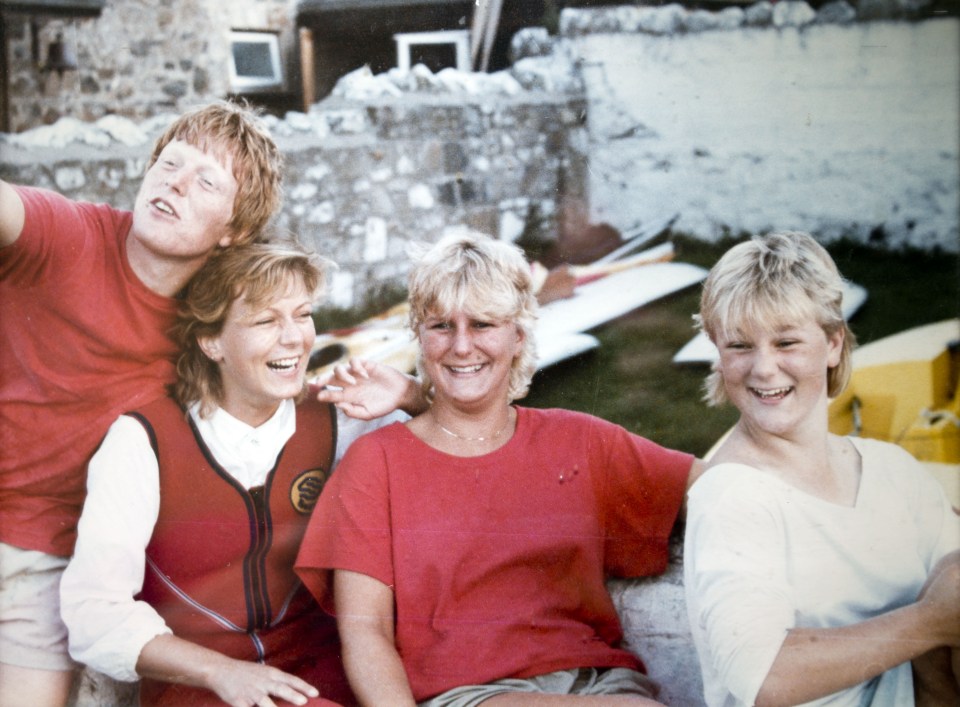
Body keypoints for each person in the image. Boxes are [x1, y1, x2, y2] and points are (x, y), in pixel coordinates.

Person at [295, 231, 704, 706]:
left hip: (597, 684)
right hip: (466, 694)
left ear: (519, 336)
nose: (462, 346)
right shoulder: (377, 462)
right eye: (441, 326)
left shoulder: (581, 441)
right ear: (419, 337)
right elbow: (366, 637)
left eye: (483, 324)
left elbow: (719, 489)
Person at [0, 100, 285, 706]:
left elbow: (280, 381)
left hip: (45, 565)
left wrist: (411, 393)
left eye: (205, 180)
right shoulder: (69, 235)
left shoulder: (209, 326)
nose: (174, 183)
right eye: (169, 162)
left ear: (234, 229)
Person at [59, 240, 415, 707]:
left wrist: (414, 396)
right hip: (202, 689)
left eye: (302, 314)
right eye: (266, 320)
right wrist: (220, 671)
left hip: (326, 676)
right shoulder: (143, 439)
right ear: (211, 341)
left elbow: (463, 476)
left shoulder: (340, 417)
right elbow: (93, 615)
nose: (294, 338)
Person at [683, 231, 960, 707]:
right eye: (740, 346)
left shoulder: (891, 468)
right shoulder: (734, 496)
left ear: (833, 344)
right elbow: (765, 677)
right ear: (718, 352)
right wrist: (928, 624)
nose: (764, 369)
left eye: (787, 341)